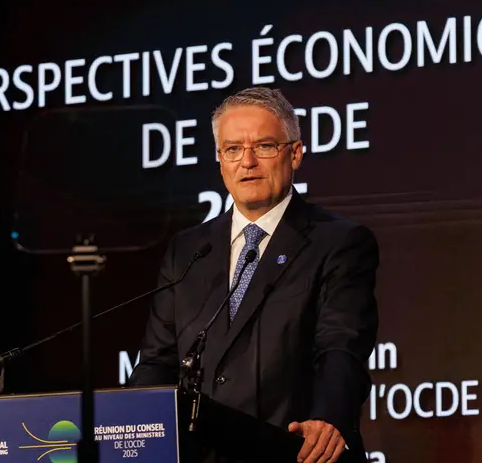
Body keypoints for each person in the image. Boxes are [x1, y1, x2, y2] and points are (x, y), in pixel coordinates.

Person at [128, 87, 379, 463]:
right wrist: (133, 427)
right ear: (220, 160)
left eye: (264, 146)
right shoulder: (188, 250)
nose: (247, 162)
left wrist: (328, 418)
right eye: (233, 149)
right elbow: (157, 361)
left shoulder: (338, 241)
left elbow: (341, 346)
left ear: (295, 154)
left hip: (296, 451)